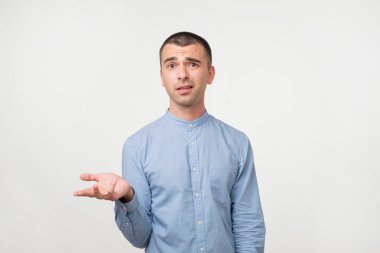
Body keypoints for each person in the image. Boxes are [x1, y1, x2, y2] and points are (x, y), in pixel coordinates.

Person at [74, 31, 266, 253]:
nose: (182, 74)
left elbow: (248, 224)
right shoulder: (137, 146)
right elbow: (141, 238)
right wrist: (127, 197)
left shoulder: (237, 143)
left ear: (210, 74)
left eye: (193, 64)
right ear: (162, 76)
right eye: (172, 65)